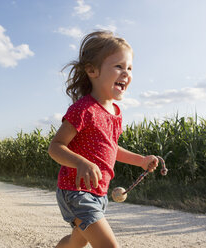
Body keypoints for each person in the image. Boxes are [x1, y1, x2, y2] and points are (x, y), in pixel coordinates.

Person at [48, 30, 159, 248]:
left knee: (75, 243)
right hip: (76, 191)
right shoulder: (83, 109)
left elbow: (111, 148)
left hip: (99, 192)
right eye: (118, 66)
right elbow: (55, 147)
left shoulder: (115, 112)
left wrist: (141, 160)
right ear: (92, 70)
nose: (125, 73)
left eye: (129, 68)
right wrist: (81, 162)